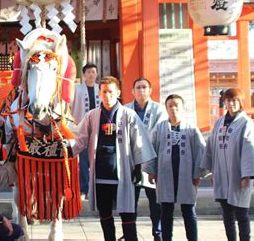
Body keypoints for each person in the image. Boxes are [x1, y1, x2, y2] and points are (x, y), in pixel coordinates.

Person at [70, 76, 156, 241]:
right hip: (101, 174)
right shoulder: (92, 115)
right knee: (105, 215)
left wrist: (138, 168)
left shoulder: (129, 115)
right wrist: (65, 151)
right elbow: (80, 139)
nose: (107, 95)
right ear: (99, 93)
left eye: (110, 91)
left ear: (117, 93)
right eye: (103, 92)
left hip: (123, 173)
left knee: (128, 215)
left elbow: (139, 143)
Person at [201, 88, 254, 241]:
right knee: (227, 213)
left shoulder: (246, 123)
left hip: (239, 174)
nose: (231, 103)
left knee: (241, 213)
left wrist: (247, 175)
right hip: (222, 173)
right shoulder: (220, 122)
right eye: (228, 100)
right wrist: (213, 171)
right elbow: (212, 147)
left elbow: (250, 149)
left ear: (240, 102)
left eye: (234, 100)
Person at [144, 94, 206, 241]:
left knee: (189, 210)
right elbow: (151, 149)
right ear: (166, 108)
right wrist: (151, 171)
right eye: (170, 105)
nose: (173, 109)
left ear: (183, 108)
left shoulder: (191, 128)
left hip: (186, 174)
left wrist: (198, 173)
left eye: (176, 105)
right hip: (165, 174)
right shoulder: (160, 128)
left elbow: (200, 151)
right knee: (166, 210)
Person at [125, 77, 167, 241]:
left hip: (151, 160)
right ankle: (130, 233)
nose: (141, 90)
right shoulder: (126, 109)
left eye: (144, 87)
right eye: (138, 87)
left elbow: (158, 134)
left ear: (150, 91)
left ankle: (158, 232)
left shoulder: (159, 110)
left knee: (155, 201)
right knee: (130, 202)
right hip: (131, 161)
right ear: (132, 91)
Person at [71, 63, 101, 199]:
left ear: (97, 74)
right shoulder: (76, 89)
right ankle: (84, 189)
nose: (91, 74)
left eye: (93, 72)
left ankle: (95, 189)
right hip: (82, 129)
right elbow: (70, 107)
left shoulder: (100, 89)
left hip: (98, 129)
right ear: (84, 75)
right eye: (88, 72)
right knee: (83, 160)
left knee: (97, 160)